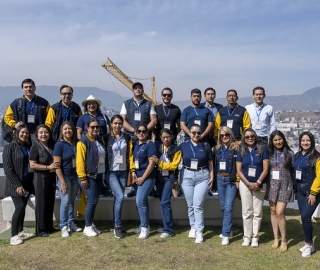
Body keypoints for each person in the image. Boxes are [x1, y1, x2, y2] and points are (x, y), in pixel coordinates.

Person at [120, 82, 157, 197]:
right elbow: (122, 120)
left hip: (144, 139)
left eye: (140, 88)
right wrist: (133, 130)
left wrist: (144, 131)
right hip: (130, 138)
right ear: (132, 91)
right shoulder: (126, 103)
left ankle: (148, 186)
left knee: (145, 161)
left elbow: (154, 120)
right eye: (135, 88)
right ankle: (133, 186)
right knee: (130, 162)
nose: (138, 90)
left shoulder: (148, 104)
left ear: (143, 90)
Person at [179, 124, 214, 244]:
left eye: (198, 133)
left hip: (202, 175)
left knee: (198, 204)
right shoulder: (183, 145)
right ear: (189, 133)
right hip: (187, 175)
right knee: (190, 204)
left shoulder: (205, 145)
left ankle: (199, 231)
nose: (196, 135)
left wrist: (212, 176)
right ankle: (193, 227)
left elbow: (210, 162)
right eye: (193, 132)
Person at [236, 128, 269, 247]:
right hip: (245, 184)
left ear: (255, 137)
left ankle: (255, 237)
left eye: (252, 136)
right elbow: (239, 170)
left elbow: (265, 168)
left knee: (257, 212)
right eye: (247, 137)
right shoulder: (241, 151)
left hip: (259, 184)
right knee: (247, 211)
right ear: (244, 139)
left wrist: (258, 182)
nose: (250, 138)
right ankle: (247, 237)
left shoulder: (262, 149)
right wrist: (248, 183)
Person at [76, 118, 108, 237]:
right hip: (88, 177)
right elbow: (80, 161)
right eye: (92, 127)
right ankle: (87, 226)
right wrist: (83, 178)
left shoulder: (99, 140)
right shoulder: (83, 142)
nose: (95, 129)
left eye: (97, 127)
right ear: (87, 128)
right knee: (92, 200)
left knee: (94, 201)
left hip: (99, 175)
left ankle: (91, 224)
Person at [3, 125, 34, 245]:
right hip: (15, 185)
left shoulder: (28, 147)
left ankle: (20, 231)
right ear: (17, 133)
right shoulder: (9, 147)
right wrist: (17, 185)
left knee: (23, 207)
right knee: (19, 207)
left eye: (26, 133)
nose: (24, 135)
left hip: (27, 183)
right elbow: (8, 169)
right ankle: (13, 235)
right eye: (22, 132)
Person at [105, 115, 135, 238]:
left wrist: (132, 170)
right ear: (111, 124)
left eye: (119, 123)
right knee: (120, 197)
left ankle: (114, 223)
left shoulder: (127, 138)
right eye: (115, 123)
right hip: (111, 172)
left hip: (123, 171)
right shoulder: (106, 138)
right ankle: (117, 226)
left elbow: (130, 155)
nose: (117, 126)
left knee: (118, 199)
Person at [265, 130, 294, 252]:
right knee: (272, 211)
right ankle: (276, 238)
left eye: (280, 139)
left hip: (285, 185)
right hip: (272, 185)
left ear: (284, 139)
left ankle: (284, 239)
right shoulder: (269, 153)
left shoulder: (290, 153)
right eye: (275, 140)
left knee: (280, 212)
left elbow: (294, 170)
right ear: (272, 141)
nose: (278, 142)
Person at [150, 129, 182, 238]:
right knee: (162, 202)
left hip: (170, 178)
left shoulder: (177, 150)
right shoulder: (159, 149)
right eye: (163, 137)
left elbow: (173, 166)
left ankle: (168, 230)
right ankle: (165, 226)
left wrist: (159, 162)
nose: (166, 139)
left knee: (165, 202)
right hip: (160, 177)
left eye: (167, 137)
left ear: (172, 136)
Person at [293, 131, 320, 257]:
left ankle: (309, 246)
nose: (305, 143)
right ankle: (309, 243)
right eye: (303, 140)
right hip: (300, 191)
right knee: (304, 219)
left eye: (308, 140)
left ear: (312, 142)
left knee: (305, 216)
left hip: (312, 192)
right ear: (300, 142)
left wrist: (314, 193)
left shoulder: (317, 156)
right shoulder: (297, 155)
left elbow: (319, 176)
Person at [29, 124, 59, 237]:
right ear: (37, 134)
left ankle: (49, 226)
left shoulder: (52, 145)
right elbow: (32, 164)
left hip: (51, 178)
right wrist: (48, 167)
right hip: (40, 178)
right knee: (41, 203)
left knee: (50, 201)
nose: (43, 134)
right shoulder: (35, 147)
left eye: (46, 132)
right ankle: (40, 230)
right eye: (41, 132)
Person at [53, 121, 82, 237]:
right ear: (61, 131)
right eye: (65, 129)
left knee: (71, 200)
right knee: (65, 201)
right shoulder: (59, 145)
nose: (67, 131)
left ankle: (71, 222)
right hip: (64, 176)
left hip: (75, 176)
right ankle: (63, 226)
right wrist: (63, 182)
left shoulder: (77, 143)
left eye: (70, 128)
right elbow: (56, 166)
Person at [131, 124, 157, 239]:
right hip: (137, 177)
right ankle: (143, 225)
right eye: (139, 131)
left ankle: (145, 228)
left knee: (140, 201)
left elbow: (152, 163)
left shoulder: (150, 145)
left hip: (148, 177)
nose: (141, 133)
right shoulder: (135, 145)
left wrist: (143, 178)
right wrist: (133, 174)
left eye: (144, 131)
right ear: (135, 133)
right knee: (142, 202)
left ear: (147, 133)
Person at [214, 126, 239, 245]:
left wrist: (237, 180)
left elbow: (238, 166)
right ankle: (227, 230)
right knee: (223, 207)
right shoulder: (217, 149)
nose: (224, 137)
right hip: (220, 178)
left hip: (231, 179)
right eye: (222, 135)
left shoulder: (236, 148)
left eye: (227, 135)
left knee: (228, 207)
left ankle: (225, 234)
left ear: (230, 135)